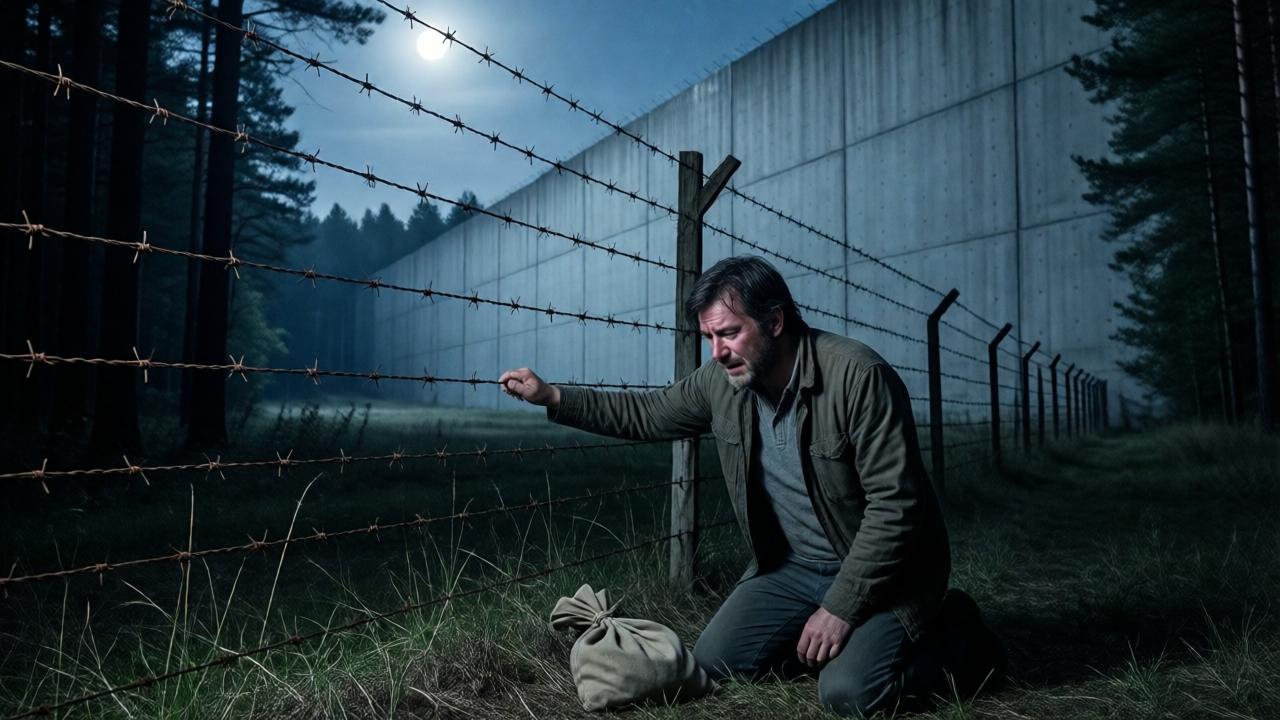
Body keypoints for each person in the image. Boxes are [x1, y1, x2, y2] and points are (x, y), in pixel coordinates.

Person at [499, 256, 1004, 716]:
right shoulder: (725, 379)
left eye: (730, 333)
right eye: (709, 338)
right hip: (793, 568)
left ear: (776, 321)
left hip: (888, 573)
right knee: (714, 665)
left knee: (849, 694)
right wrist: (554, 396)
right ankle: (823, 641)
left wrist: (840, 608)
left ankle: (957, 635)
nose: (717, 352)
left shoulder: (858, 376)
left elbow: (897, 507)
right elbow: (649, 412)